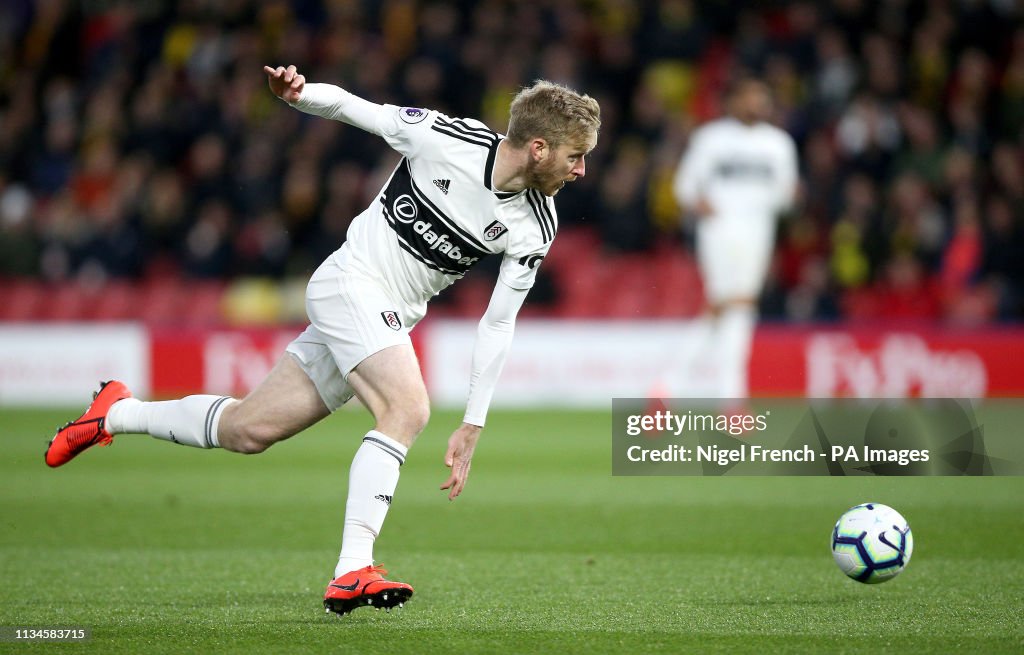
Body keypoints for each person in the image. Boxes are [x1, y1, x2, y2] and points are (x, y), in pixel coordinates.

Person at [45, 65, 600, 616]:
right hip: (349, 283)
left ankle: (115, 413)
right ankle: (352, 568)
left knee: (247, 430)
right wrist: (299, 93)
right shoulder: (447, 139)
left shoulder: (535, 224)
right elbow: (357, 109)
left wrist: (474, 421)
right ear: (537, 147)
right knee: (406, 408)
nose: (581, 170)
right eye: (576, 155)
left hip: (385, 317)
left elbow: (497, 324)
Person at [672, 77, 798, 404]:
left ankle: (669, 388)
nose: (756, 103)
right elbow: (684, 186)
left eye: (761, 97)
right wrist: (701, 204)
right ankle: (732, 400)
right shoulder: (711, 138)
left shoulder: (779, 143)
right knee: (737, 304)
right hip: (720, 230)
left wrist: (790, 196)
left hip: (759, 233)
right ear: (733, 101)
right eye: (749, 96)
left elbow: (785, 196)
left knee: (726, 308)